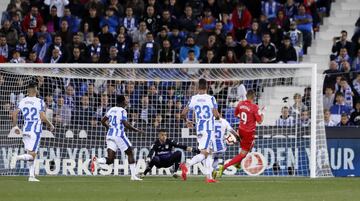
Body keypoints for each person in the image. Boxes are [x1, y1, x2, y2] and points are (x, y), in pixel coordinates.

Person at [91, 95, 144, 181]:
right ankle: (133, 176)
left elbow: (102, 121)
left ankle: (97, 160)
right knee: (130, 152)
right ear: (123, 102)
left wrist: (109, 128)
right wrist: (137, 130)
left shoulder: (111, 109)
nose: (127, 102)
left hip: (110, 135)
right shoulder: (123, 111)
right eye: (126, 100)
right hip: (119, 135)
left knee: (110, 159)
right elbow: (125, 124)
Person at [10, 82, 55, 182]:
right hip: (35, 130)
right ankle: (16, 157)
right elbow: (42, 117)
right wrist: (50, 124)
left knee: (31, 153)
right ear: (35, 90)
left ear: (27, 90)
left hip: (25, 129)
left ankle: (31, 176)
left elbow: (14, 113)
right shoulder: (39, 101)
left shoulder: (23, 101)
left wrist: (15, 127)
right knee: (32, 155)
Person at [179, 78, 220, 183]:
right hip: (208, 129)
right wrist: (217, 117)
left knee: (209, 152)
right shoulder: (211, 98)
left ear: (198, 87)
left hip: (199, 129)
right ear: (207, 87)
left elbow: (183, 113)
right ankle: (187, 165)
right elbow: (216, 115)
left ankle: (209, 177)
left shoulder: (193, 98)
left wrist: (187, 121)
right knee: (205, 153)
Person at [217, 90, 264, 177]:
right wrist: (262, 113)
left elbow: (236, 114)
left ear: (246, 96)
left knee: (250, 145)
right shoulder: (255, 107)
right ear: (254, 97)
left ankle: (238, 163)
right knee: (243, 154)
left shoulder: (240, 104)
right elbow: (260, 121)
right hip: (248, 133)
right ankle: (223, 167)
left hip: (241, 129)